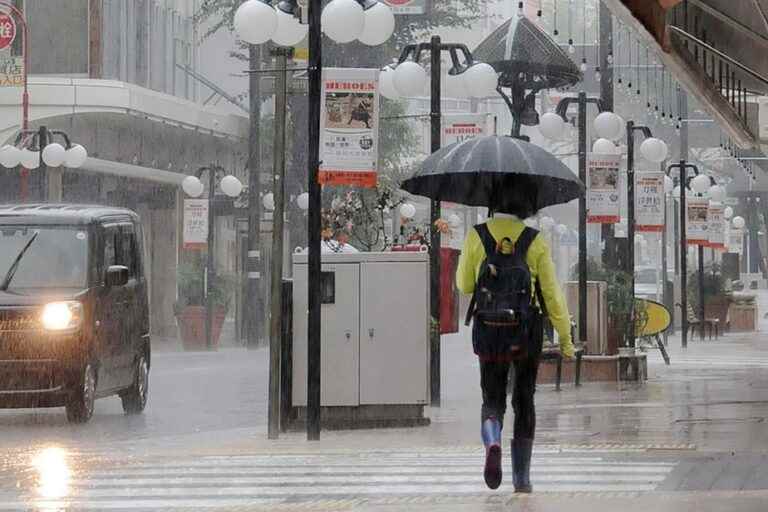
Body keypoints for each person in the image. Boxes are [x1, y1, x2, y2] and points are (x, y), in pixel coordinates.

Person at [456, 212, 574, 493]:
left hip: (489, 330)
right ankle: (521, 477)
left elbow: (464, 285)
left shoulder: (476, 235)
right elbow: (551, 294)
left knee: (492, 398)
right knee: (524, 400)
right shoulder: (535, 241)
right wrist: (566, 337)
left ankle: (493, 437)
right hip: (525, 331)